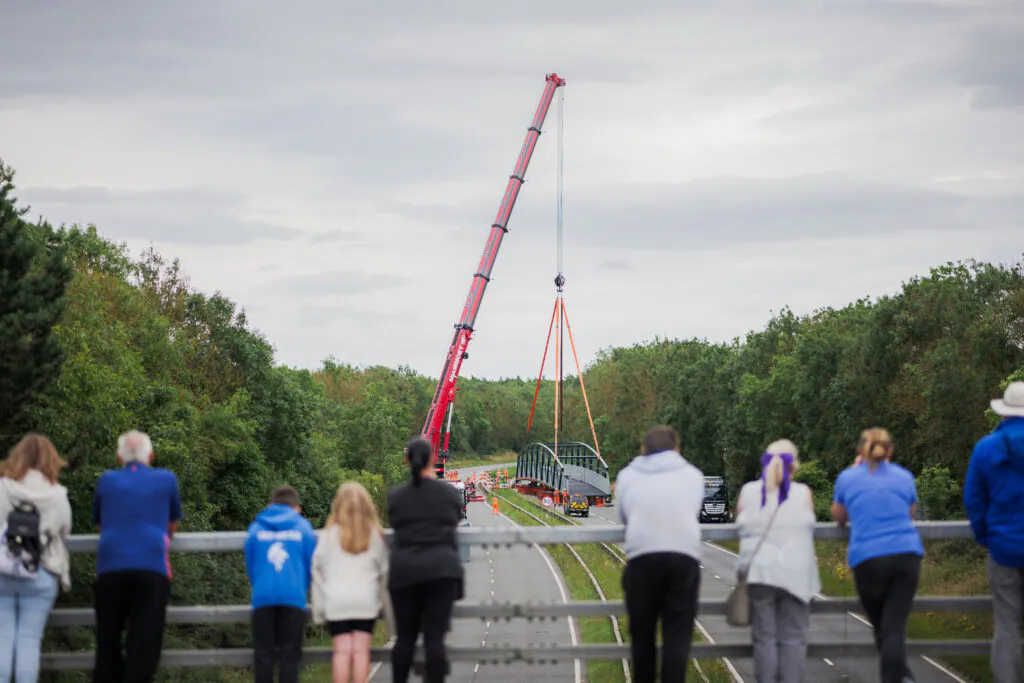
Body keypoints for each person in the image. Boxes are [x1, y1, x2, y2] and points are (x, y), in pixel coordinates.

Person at [832, 428, 923, 683]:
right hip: (906, 557)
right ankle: (903, 677)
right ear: (890, 450)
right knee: (892, 628)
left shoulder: (847, 478)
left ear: (860, 451)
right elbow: (910, 515)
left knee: (884, 629)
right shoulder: (904, 477)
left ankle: (899, 679)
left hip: (868, 560)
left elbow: (839, 516)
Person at [614, 425, 704, 683]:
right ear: (676, 449)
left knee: (642, 636)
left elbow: (624, 517)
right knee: (677, 635)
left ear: (644, 450)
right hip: (683, 559)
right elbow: (692, 510)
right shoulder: (693, 475)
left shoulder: (628, 475)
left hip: (643, 559)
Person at [93, 430, 182, 683]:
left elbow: (101, 525)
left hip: (110, 568)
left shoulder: (106, 481)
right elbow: (172, 525)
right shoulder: (167, 479)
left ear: (119, 458)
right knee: (144, 645)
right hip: (151, 568)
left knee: (107, 643)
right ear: (151, 455)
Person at [735, 439, 820, 683]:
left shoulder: (750, 492)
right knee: (793, 638)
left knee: (765, 638)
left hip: (761, 573)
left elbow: (741, 517)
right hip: (795, 573)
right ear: (794, 468)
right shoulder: (803, 494)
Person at [388, 436, 463, 683]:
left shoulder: (396, 497)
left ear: (406, 461)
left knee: (405, 639)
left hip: (404, 573)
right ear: (432, 459)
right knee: (435, 640)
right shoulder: (449, 495)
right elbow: (454, 524)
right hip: (442, 572)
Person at [964, 381, 1024, 683]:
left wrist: (988, 537)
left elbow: (973, 500)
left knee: (1008, 626)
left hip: (1004, 549)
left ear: (1004, 413)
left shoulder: (987, 447)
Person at [0, 434, 72, 683]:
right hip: (41, 572)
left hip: (3, 571)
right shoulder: (57, 495)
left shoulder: (2, 487)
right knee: (29, 641)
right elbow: (65, 531)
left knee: (3, 638)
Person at [312, 482, 391, 683]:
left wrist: (320, 605)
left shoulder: (328, 536)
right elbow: (384, 571)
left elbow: (316, 568)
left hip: (336, 601)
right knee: (361, 651)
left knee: (341, 651)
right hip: (365, 601)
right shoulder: (374, 534)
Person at [245, 486, 317, 683]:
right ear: (297, 508)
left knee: (263, 657)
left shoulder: (256, 528)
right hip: (293, 596)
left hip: (262, 596)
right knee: (289, 658)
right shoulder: (303, 527)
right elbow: (311, 563)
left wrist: (259, 585)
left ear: (271, 505)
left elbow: (251, 564)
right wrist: (302, 588)